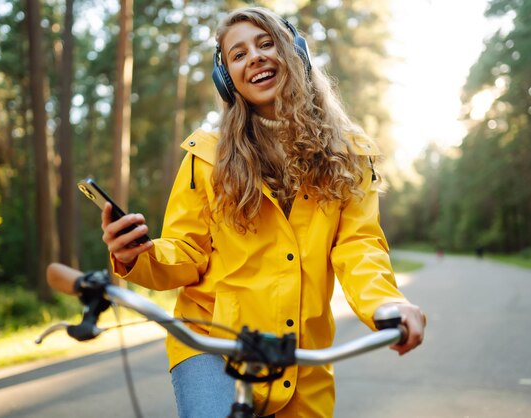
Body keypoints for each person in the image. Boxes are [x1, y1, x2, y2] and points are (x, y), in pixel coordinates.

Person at [101, 6, 426, 418]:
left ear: (296, 55)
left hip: (299, 357)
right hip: (212, 343)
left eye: (266, 43)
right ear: (227, 79)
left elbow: (359, 246)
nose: (254, 56)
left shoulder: (350, 155)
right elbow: (186, 251)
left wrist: (386, 304)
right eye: (238, 54)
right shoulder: (206, 157)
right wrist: (137, 255)